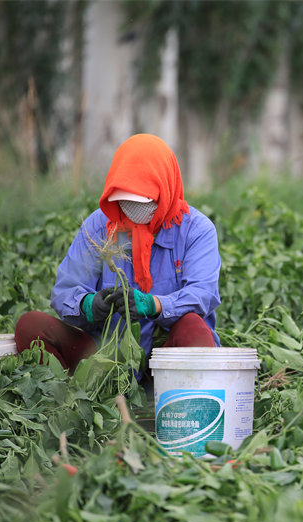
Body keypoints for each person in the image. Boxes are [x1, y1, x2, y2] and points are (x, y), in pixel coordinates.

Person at [15, 133, 221, 375]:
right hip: (104, 360)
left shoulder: (195, 230)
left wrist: (154, 305)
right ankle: (73, 401)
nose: (133, 209)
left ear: (165, 188)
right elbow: (65, 291)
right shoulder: (99, 227)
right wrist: (88, 305)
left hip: (165, 358)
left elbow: (202, 294)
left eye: (144, 201)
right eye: (124, 200)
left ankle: (174, 401)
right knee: (31, 326)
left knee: (193, 328)